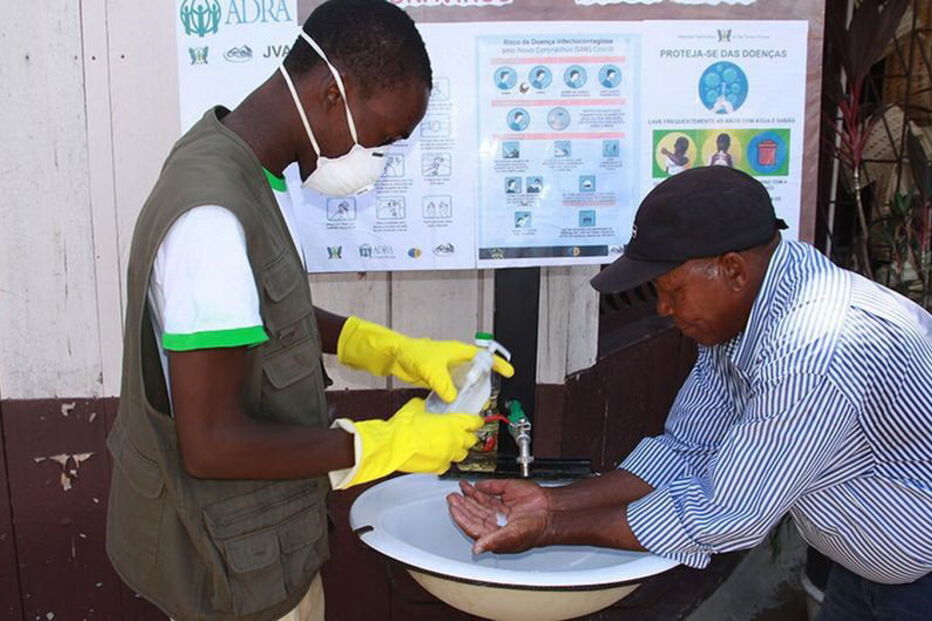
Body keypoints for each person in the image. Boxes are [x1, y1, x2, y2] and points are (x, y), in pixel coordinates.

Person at [106, 2, 513, 621]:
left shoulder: (245, 168)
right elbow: (211, 446)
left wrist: (386, 347)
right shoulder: (210, 217)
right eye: (383, 138)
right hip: (230, 575)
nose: (378, 161)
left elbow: (259, 310)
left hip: (258, 549)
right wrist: (387, 444)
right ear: (332, 94)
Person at [448, 166, 932, 621]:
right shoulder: (740, 317)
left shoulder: (819, 347)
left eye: (672, 291)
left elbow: (728, 510)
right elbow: (686, 451)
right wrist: (551, 501)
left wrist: (549, 532)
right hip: (866, 566)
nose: (662, 308)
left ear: (733, 270)